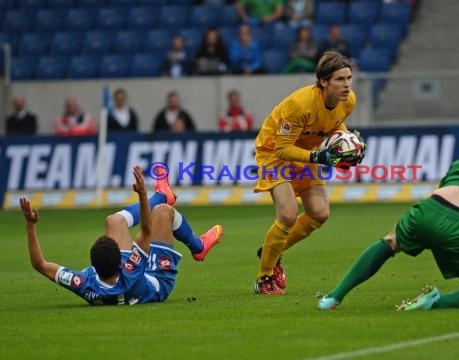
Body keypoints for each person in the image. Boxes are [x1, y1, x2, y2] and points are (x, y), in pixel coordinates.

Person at [318, 128, 459, 311]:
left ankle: (333, 296)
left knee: (390, 241)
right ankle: (434, 303)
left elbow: (444, 204)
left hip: (428, 209)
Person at [20, 165, 223, 306]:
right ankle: (198, 247)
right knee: (162, 211)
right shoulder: (131, 270)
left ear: (93, 266)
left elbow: (40, 264)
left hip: (125, 280)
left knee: (114, 221)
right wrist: (143, 195)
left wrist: (30, 226)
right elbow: (146, 229)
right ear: (121, 261)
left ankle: (164, 194)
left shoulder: (84, 283)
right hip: (157, 280)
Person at [253, 51, 365, 295]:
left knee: (319, 213)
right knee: (288, 215)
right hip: (273, 151)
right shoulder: (299, 104)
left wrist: (347, 142)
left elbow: (333, 125)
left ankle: (273, 250)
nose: (347, 85)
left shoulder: (349, 101)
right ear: (324, 82)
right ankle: (264, 278)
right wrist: (318, 156)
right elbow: (283, 149)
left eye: (349, 78)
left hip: (306, 151)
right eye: (340, 79)